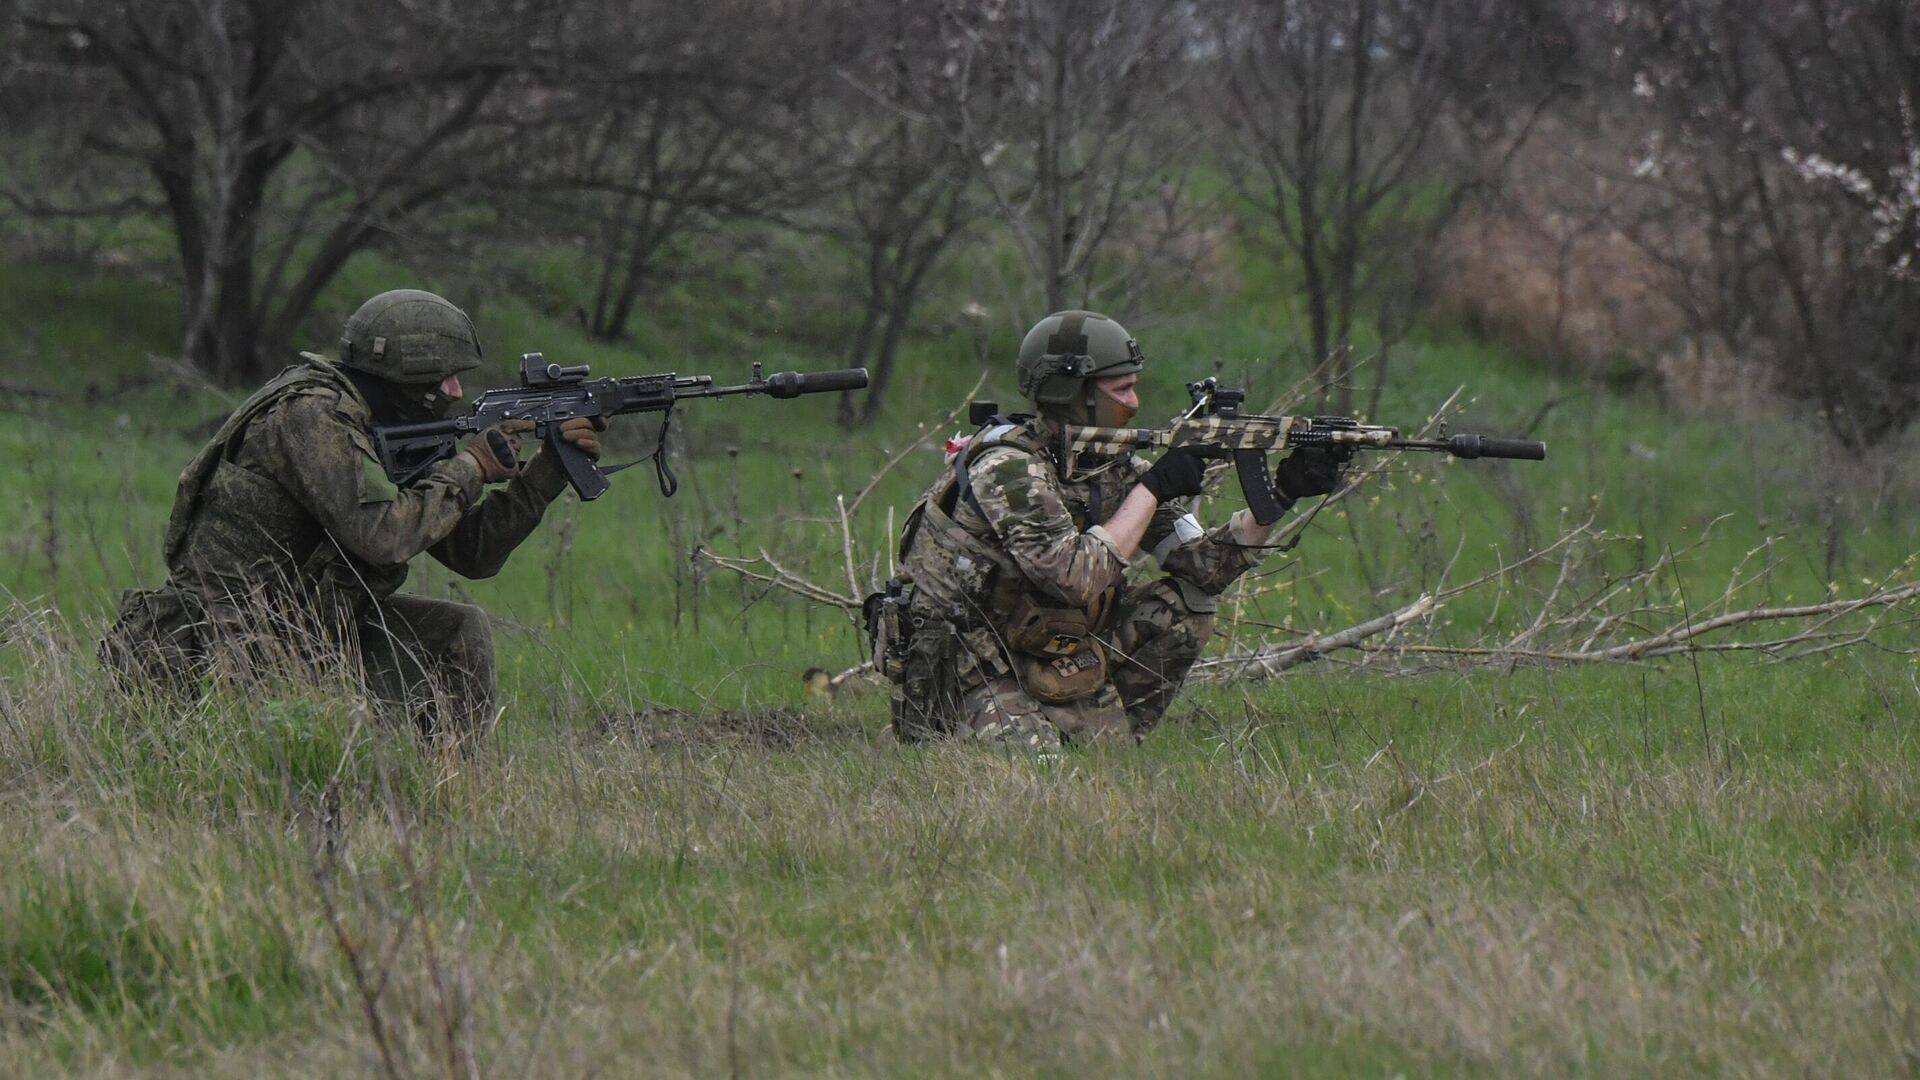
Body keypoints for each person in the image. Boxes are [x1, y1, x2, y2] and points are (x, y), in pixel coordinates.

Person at [100, 289, 605, 739]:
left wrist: (549, 469)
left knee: (458, 632)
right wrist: (469, 468)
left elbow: (473, 554)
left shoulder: (381, 424)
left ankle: (453, 798)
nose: (455, 392)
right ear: (408, 373)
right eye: (444, 377)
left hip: (302, 633)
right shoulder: (311, 415)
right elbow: (381, 537)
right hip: (224, 652)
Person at [876, 310, 1343, 752]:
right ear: (1071, 391)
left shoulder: (1110, 469)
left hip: (1046, 650)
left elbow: (1202, 568)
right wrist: (1153, 488)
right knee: (1035, 781)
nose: (1134, 404)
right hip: (966, 667)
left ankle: (1102, 736)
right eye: (1121, 389)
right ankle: (959, 736)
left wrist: (1281, 496)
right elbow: (1073, 577)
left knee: (1186, 609)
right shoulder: (1008, 471)